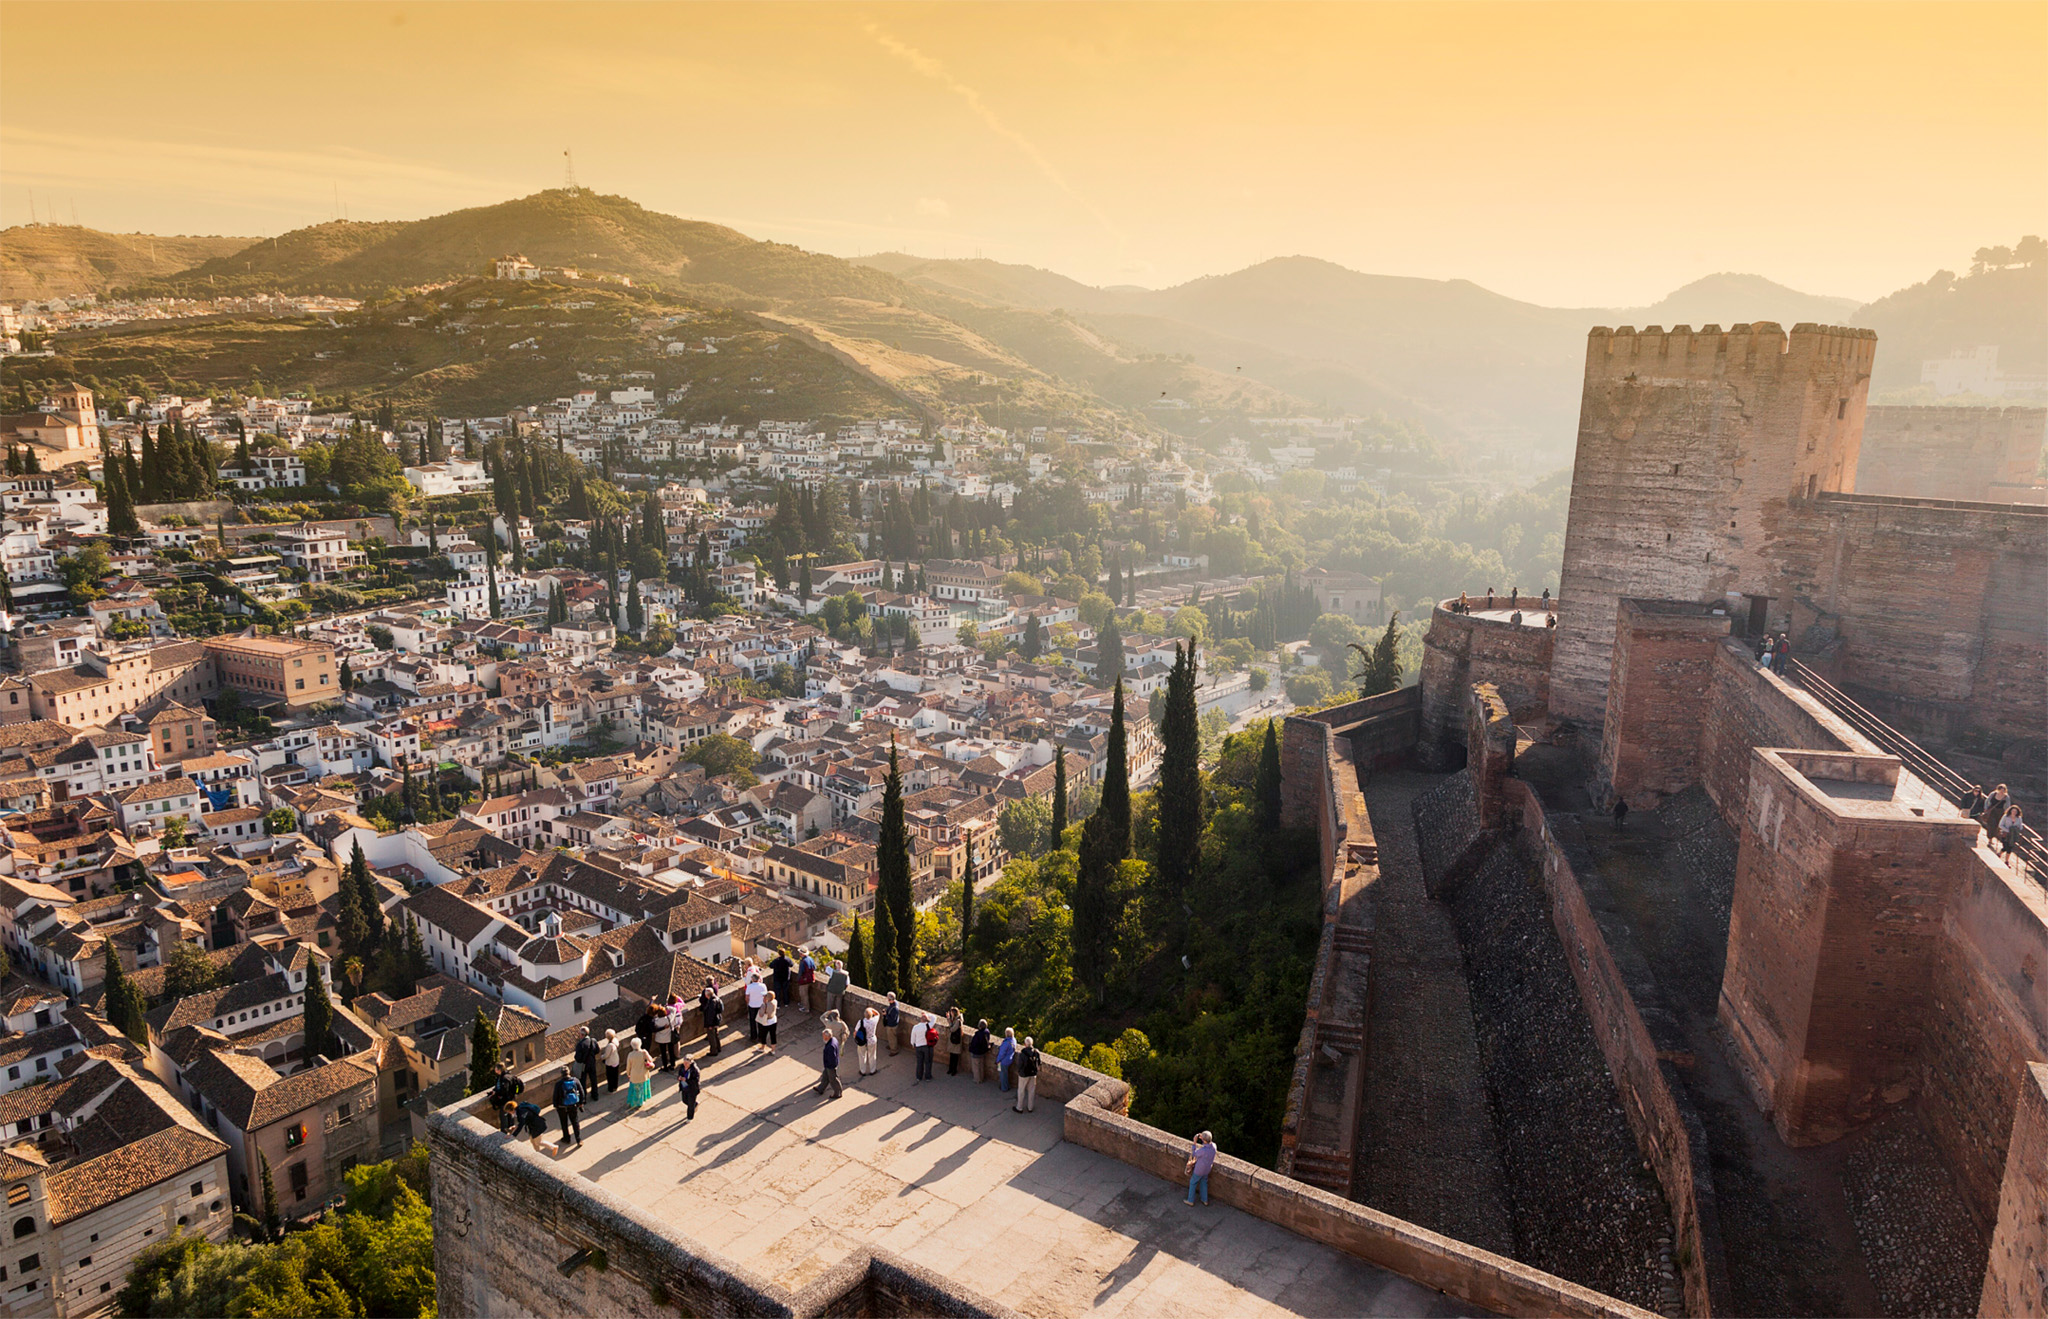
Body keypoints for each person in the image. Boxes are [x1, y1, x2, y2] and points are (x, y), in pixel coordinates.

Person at [551, 1065, 583, 1149]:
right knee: (575, 1122)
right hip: (573, 1106)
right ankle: (578, 1140)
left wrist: (556, 1105)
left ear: (561, 1074)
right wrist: (580, 1102)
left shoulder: (559, 1084)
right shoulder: (575, 1081)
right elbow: (581, 1092)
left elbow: (555, 1096)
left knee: (564, 1123)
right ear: (569, 1072)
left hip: (562, 1107)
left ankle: (566, 1138)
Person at [1185, 1131, 1217, 1206]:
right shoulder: (1214, 1146)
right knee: (1204, 1182)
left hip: (1199, 1170)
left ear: (1204, 1140)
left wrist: (1194, 1142)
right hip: (1207, 1169)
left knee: (1193, 1182)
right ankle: (1204, 1200)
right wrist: (1203, 1137)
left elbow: (1194, 1154)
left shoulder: (1203, 1151)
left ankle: (1190, 1200)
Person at [624, 1039, 654, 1112]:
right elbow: (651, 1060)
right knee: (642, 1088)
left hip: (634, 1075)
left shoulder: (630, 1055)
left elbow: (628, 1066)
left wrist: (628, 1073)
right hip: (643, 1074)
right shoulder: (643, 1053)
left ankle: (635, 1102)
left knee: (635, 1089)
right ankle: (641, 1101)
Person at [1013, 1035, 1040, 1113]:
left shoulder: (1022, 1053)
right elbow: (1039, 1063)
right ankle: (1030, 1107)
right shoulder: (1036, 1052)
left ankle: (1019, 1107)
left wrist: (1019, 1071)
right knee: (1031, 1091)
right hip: (1033, 1073)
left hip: (1024, 1074)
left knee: (1021, 1091)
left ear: (1025, 1044)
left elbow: (1019, 1065)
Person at [700, 978, 725, 1057]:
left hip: (712, 1022)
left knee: (711, 1037)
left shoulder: (711, 1003)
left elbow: (710, 1015)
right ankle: (718, 1047)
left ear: (707, 995)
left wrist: (710, 1025)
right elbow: (721, 1009)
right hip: (717, 1020)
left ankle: (713, 1051)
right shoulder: (717, 999)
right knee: (716, 1034)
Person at [574, 1026, 601, 1101]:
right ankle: (595, 1095)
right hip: (592, 1063)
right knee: (593, 1080)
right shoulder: (593, 1041)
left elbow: (578, 1058)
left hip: (584, 1065)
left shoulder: (580, 1045)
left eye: (579, 1034)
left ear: (582, 1035)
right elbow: (597, 1051)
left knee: (583, 1082)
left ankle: (584, 1098)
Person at [816, 1029, 844, 1099]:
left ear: (827, 1037)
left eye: (824, 1036)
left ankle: (838, 1093)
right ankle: (821, 1088)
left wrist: (830, 1066)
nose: (823, 1038)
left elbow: (832, 1058)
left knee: (833, 1079)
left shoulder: (830, 1046)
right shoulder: (833, 1039)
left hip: (830, 1065)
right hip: (828, 1065)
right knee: (825, 1076)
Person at [745, 969, 768, 1046]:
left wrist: (748, 1003)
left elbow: (747, 997)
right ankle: (761, 1037)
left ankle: (753, 1036)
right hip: (760, 1005)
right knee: (761, 1021)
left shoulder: (749, 987)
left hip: (752, 1006)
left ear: (752, 979)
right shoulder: (763, 986)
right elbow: (765, 997)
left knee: (752, 1022)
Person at [856, 1005, 880, 1076]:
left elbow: (855, 1032)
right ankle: (872, 1070)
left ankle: (862, 1071)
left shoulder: (860, 1022)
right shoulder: (874, 1020)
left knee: (862, 1055)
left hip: (862, 1041)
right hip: (872, 1039)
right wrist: (871, 1009)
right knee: (872, 1055)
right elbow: (878, 1014)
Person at [676, 1054, 702, 1120]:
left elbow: (695, 1081)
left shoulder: (695, 1070)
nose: (685, 1064)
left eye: (687, 1063)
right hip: (684, 1087)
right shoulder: (682, 1067)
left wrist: (687, 1080)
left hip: (692, 1089)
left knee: (690, 1105)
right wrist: (679, 1077)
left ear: (690, 1062)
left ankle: (689, 1118)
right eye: (684, 1062)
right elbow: (679, 1073)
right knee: (684, 1100)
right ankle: (694, 1105)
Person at [910, 1014, 933, 1082]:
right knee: (927, 1062)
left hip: (918, 1046)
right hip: (926, 1046)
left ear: (920, 1019)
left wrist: (913, 1044)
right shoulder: (928, 1026)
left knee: (919, 1062)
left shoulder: (915, 1027)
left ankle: (919, 1077)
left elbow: (912, 1037)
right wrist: (927, 1015)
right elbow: (934, 1018)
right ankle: (927, 1077)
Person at [653, 1001, 675, 1071]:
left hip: (661, 1039)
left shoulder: (656, 1021)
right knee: (671, 1051)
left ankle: (665, 1066)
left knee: (663, 1053)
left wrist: (658, 1008)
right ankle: (672, 1065)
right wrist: (666, 1007)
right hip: (669, 1037)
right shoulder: (669, 1019)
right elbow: (674, 1010)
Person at [968, 1019, 992, 1083]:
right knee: (981, 1066)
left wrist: (970, 1048)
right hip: (983, 1051)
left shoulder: (978, 1034)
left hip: (976, 1052)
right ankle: (981, 1078)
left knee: (976, 1067)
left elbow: (974, 1043)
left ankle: (977, 1079)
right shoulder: (987, 1032)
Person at [945, 1006, 965, 1076]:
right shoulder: (955, 1019)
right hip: (953, 1040)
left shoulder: (958, 1021)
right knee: (952, 1055)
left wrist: (949, 1023)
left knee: (955, 1056)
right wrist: (948, 1018)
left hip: (955, 1040)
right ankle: (951, 1069)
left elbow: (952, 1029)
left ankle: (954, 1070)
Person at [601, 1029, 623, 1094]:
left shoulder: (610, 1045)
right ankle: (615, 1087)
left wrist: (602, 1057)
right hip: (616, 1060)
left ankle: (611, 1089)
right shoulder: (615, 1040)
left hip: (610, 1062)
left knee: (610, 1076)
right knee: (615, 1075)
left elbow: (606, 1055)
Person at [795, 949, 816, 1014]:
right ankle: (803, 1004)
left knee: (803, 994)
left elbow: (801, 972)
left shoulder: (803, 961)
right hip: (811, 978)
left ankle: (806, 1008)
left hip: (804, 980)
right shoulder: (810, 959)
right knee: (805, 993)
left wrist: (798, 979)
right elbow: (814, 968)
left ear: (802, 954)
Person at [996, 1027, 1017, 1092]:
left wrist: (997, 1060)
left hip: (1003, 1062)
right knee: (1005, 1074)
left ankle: (1004, 1087)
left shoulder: (1006, 1043)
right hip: (1009, 1060)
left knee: (1003, 1074)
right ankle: (1006, 1086)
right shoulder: (1013, 1040)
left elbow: (1001, 1053)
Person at [882, 992, 902, 1056]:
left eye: (888, 999)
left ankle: (894, 1050)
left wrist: (886, 1015)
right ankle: (892, 1046)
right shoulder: (895, 1004)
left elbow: (892, 1019)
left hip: (892, 1025)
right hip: (893, 1024)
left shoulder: (895, 1008)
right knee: (891, 1037)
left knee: (892, 1037)